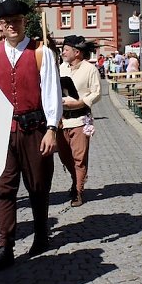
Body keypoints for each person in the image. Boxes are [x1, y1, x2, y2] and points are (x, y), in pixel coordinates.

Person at [0, 0, 61, 270]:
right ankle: (5, 244)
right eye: (6, 23)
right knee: (4, 189)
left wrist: (52, 129)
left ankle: (40, 235)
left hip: (35, 128)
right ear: (0, 26)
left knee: (38, 185)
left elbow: (52, 93)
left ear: (25, 22)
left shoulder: (41, 53)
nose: (12, 26)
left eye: (16, 21)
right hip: (3, 131)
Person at [57, 35, 100, 207]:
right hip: (62, 121)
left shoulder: (90, 69)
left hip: (81, 119)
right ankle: (77, 179)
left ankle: (78, 191)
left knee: (79, 158)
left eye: (66, 50)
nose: (63, 53)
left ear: (77, 52)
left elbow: (96, 92)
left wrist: (81, 102)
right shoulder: (60, 68)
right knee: (65, 157)